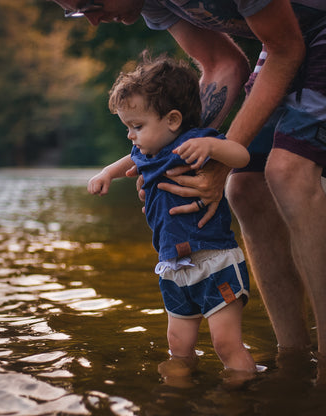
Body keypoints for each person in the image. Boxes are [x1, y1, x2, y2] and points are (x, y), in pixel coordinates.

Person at [52, 0, 326, 374]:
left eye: (91, 4)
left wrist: (220, 159)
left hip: (304, 35)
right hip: (282, 41)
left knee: (287, 172)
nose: (94, 20)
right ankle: (293, 361)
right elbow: (222, 66)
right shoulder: (153, 5)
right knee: (243, 191)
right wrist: (172, 162)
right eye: (76, 12)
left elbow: (287, 47)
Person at [88, 54, 255, 373]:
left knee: (225, 344)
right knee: (178, 346)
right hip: (173, 266)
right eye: (127, 127)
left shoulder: (195, 141)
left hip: (214, 260)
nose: (130, 135)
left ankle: (242, 393)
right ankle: (176, 396)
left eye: (137, 126)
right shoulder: (145, 150)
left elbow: (242, 156)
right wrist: (107, 173)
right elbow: (130, 157)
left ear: (173, 121)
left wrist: (213, 148)